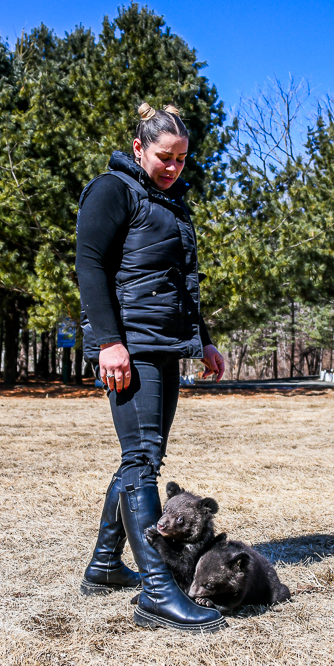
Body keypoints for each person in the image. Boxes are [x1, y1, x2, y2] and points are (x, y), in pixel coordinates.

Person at [75, 103, 228, 632]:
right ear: (139, 148)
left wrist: (202, 341)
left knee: (143, 459)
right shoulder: (112, 190)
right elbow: (90, 265)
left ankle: (104, 564)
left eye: (182, 159)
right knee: (141, 460)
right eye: (166, 156)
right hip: (130, 346)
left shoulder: (170, 202)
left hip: (164, 343)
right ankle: (159, 591)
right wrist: (109, 342)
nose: (174, 167)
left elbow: (181, 282)